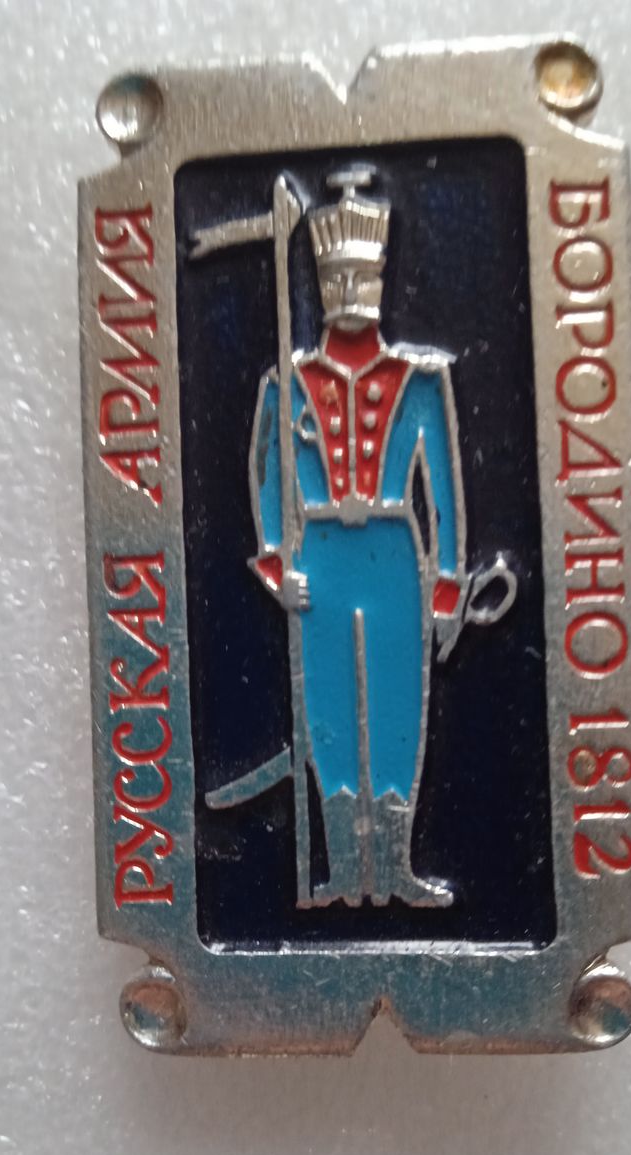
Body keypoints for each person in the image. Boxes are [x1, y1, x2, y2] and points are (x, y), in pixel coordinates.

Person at [249, 168, 467, 907]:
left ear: (377, 280)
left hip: (395, 549)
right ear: (321, 284)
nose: (349, 290)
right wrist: (275, 561)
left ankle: (395, 866)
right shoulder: (287, 382)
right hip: (320, 556)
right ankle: (346, 868)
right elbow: (268, 475)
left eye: (360, 277)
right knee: (330, 707)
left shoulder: (421, 380)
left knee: (400, 705)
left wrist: (449, 581)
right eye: (336, 278)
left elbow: (443, 490)